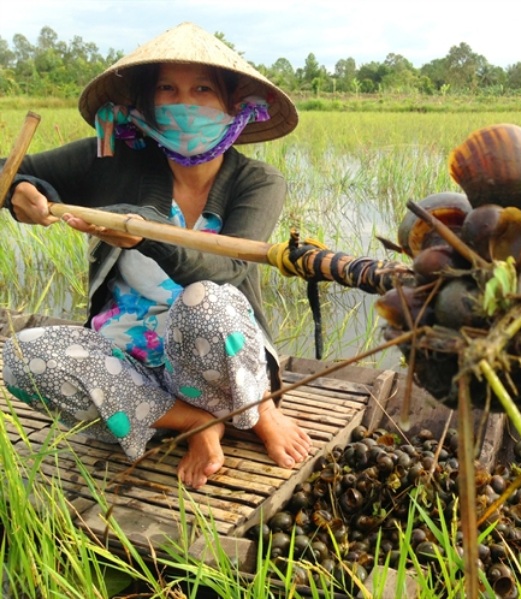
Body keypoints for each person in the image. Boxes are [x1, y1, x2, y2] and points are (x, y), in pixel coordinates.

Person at [1, 22, 312, 489]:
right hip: (130, 362)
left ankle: (259, 409)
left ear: (232, 104)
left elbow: (226, 272)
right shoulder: (112, 159)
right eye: (168, 88)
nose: (184, 102)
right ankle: (193, 422)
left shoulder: (258, 181)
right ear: (147, 104)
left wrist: (142, 235)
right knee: (18, 356)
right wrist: (22, 191)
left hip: (218, 356)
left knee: (204, 299)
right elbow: (11, 173)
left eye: (202, 89)